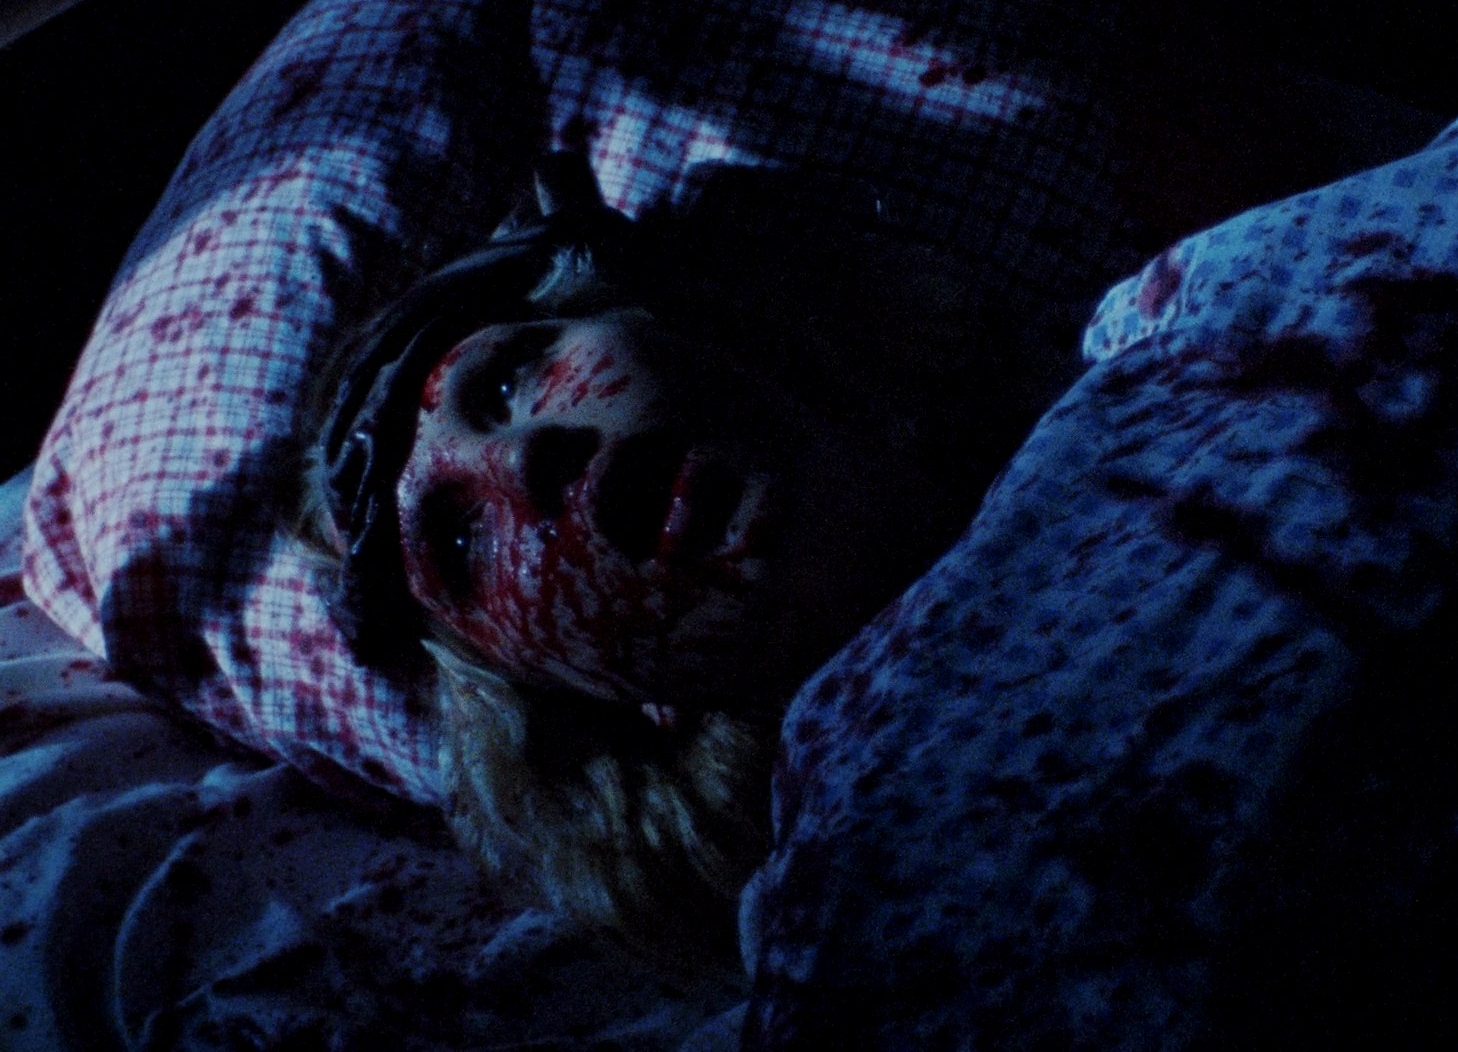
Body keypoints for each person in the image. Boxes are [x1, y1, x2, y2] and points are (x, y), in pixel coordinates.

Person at [290, 152, 1077, 974]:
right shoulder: (861, 934)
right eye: (459, 544)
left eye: (504, 384)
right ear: (581, 696)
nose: (522, 460)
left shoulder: (1151, 354)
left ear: (683, 321)